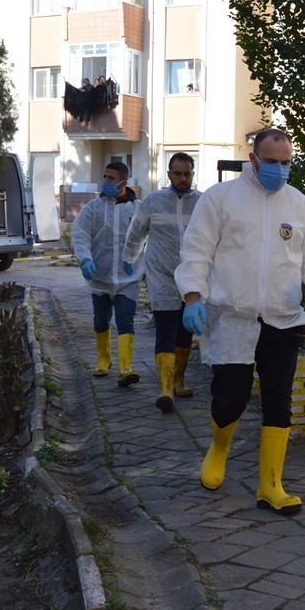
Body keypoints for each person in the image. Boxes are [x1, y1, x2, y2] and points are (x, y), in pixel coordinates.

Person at [175, 128, 305, 515]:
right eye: (272, 162)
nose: (280, 170)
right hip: (233, 317)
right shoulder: (220, 199)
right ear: (254, 159)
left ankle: (271, 486)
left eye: (286, 163)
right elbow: (195, 250)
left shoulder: (300, 206)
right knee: (231, 398)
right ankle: (219, 447)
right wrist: (193, 296)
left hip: (284, 318)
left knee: (280, 400)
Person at [123, 152, 201, 414]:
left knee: (185, 331)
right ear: (169, 174)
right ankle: (165, 387)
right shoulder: (154, 202)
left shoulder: (201, 203)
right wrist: (129, 258)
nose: (182, 178)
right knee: (166, 330)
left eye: (187, 174)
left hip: (191, 277)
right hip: (161, 276)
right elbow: (136, 233)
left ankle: (178, 381)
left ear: (192, 174)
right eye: (177, 174)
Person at [72, 161, 144, 388]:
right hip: (100, 277)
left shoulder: (138, 209)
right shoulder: (93, 208)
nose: (106, 182)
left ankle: (125, 368)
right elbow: (80, 233)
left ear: (124, 182)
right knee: (101, 319)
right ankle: (104, 359)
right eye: (105, 177)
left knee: (125, 318)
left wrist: (138, 262)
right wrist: (85, 259)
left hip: (128, 278)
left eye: (111, 178)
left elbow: (146, 238)